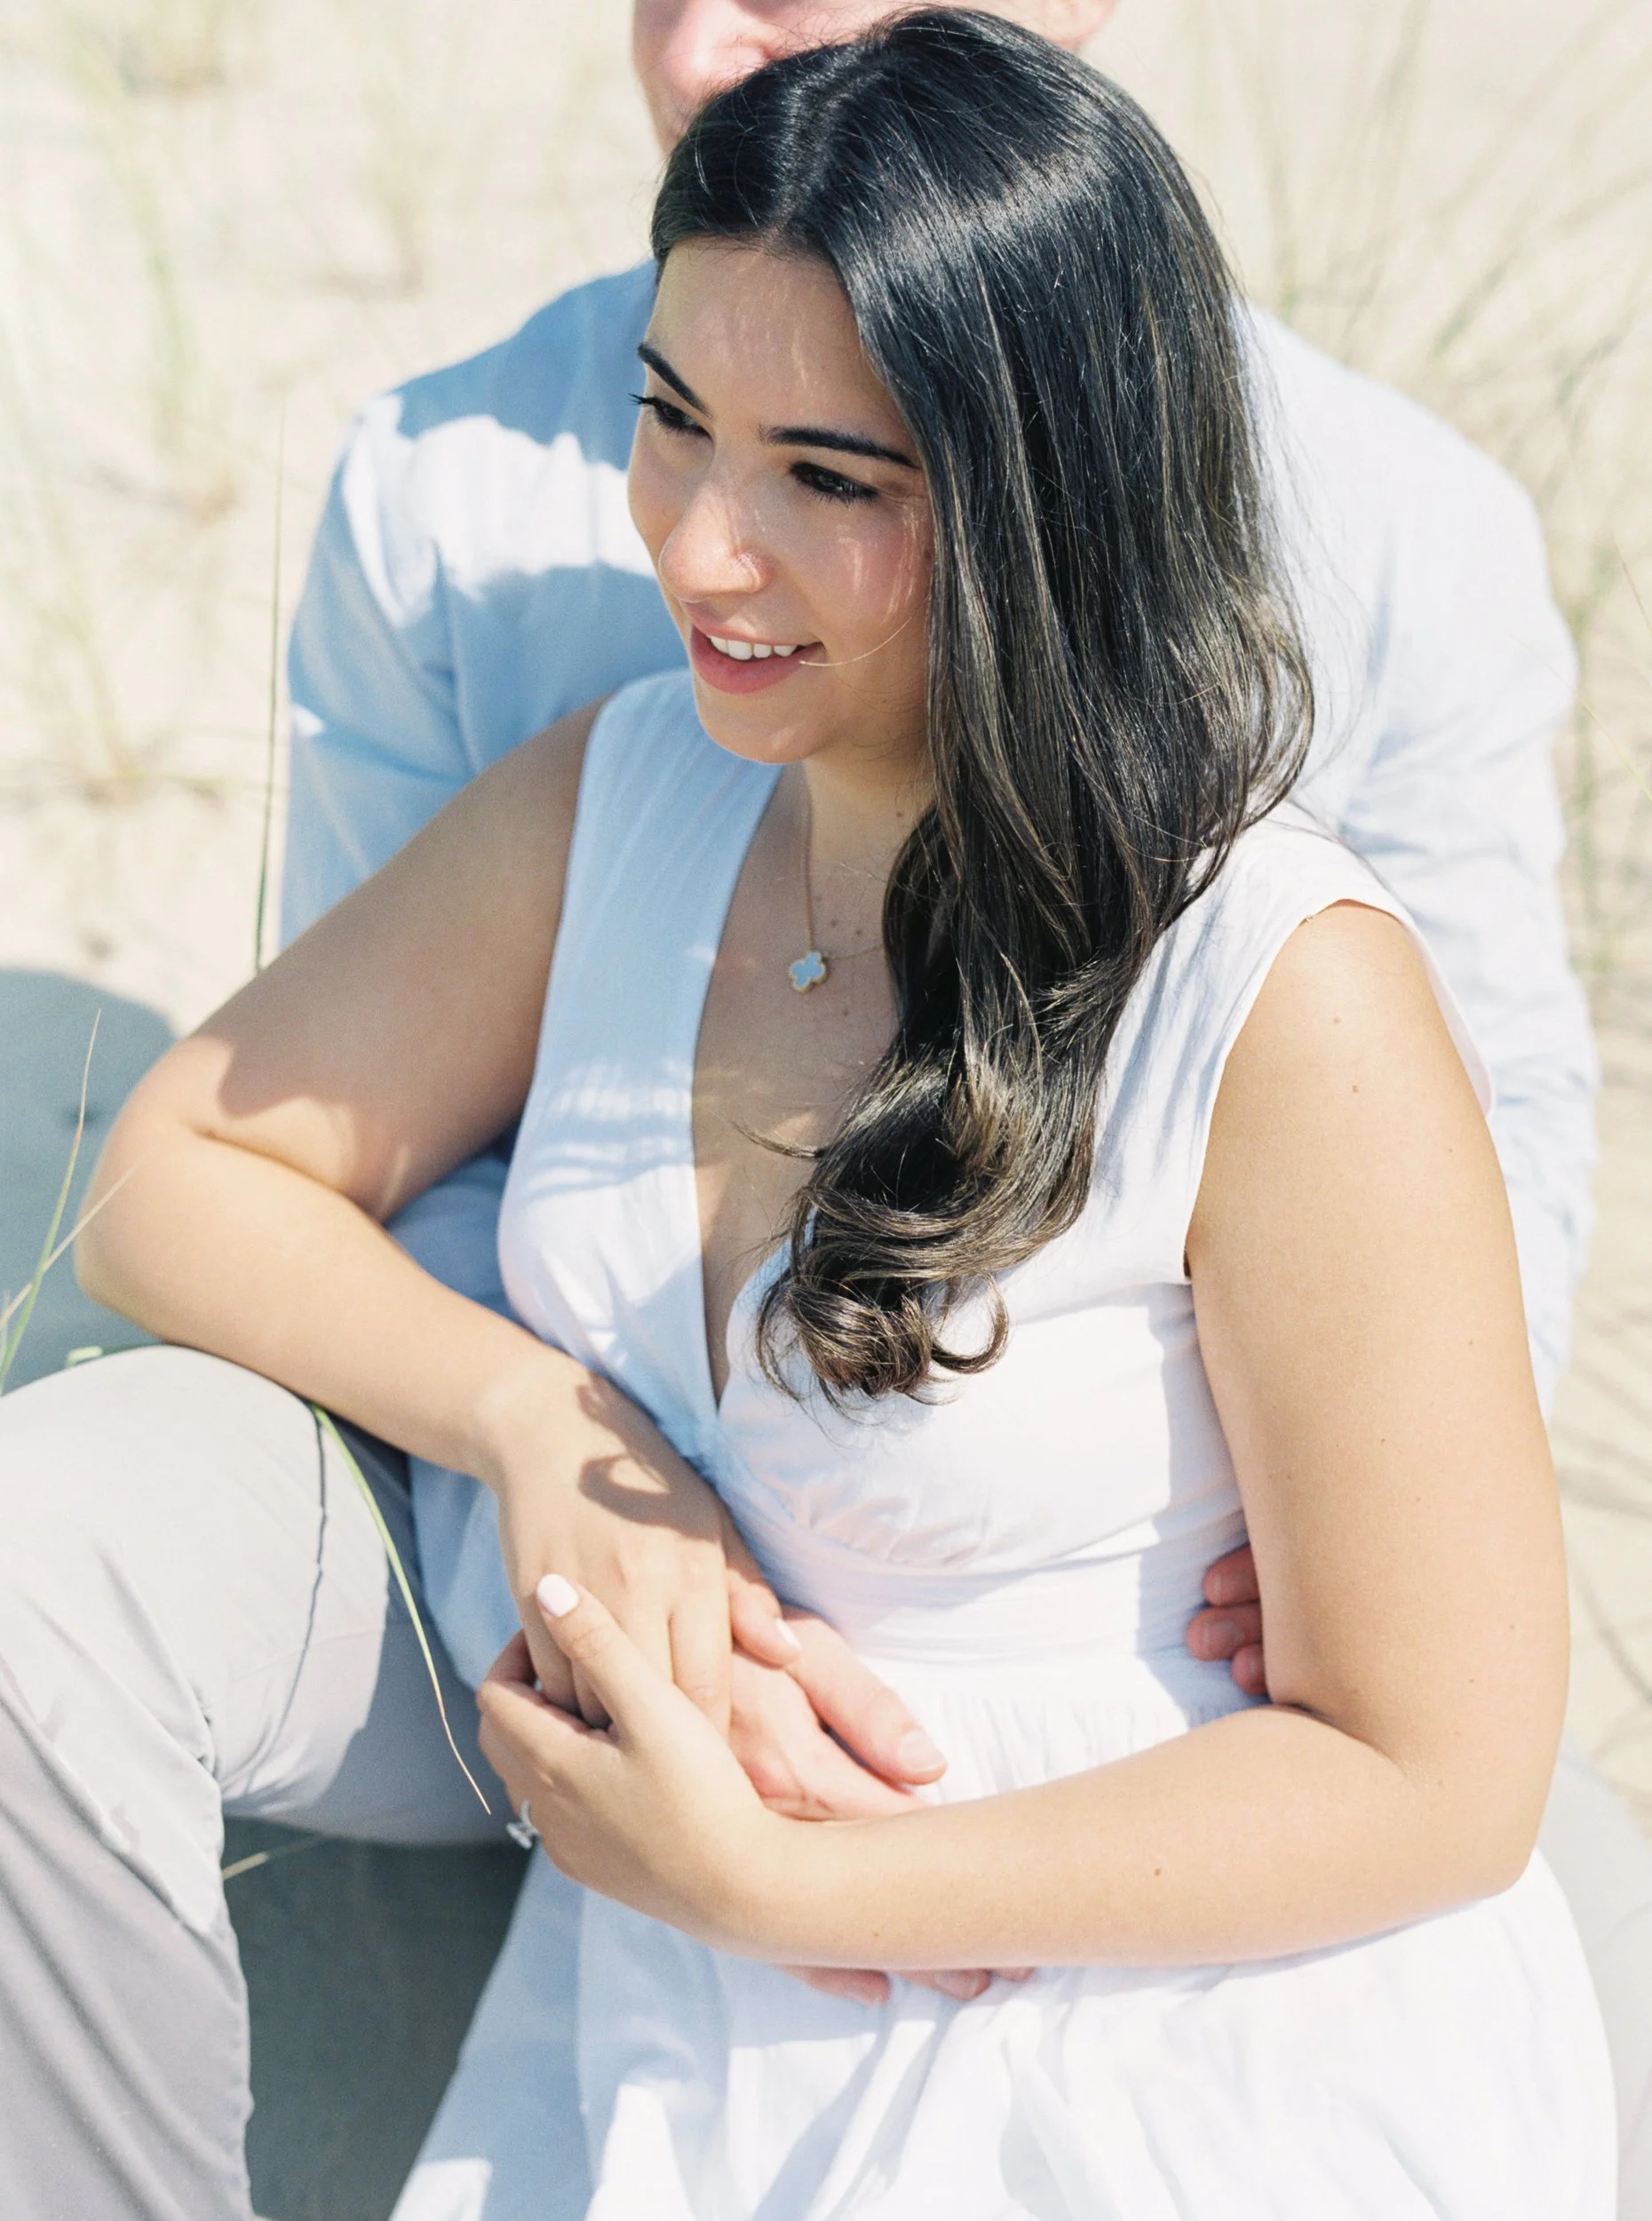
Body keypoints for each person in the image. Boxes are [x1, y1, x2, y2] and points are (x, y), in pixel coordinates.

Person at [0, 5, 1633, 2220]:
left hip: (1143, 2031)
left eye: (826, 480)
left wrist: (783, 1884)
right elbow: (171, 1175)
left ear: (1042, 495)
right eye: (674, 425)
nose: (699, 550)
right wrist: (556, 1438)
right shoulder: (624, 789)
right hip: (667, 1984)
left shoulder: (1283, 988)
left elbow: (1437, 1771)